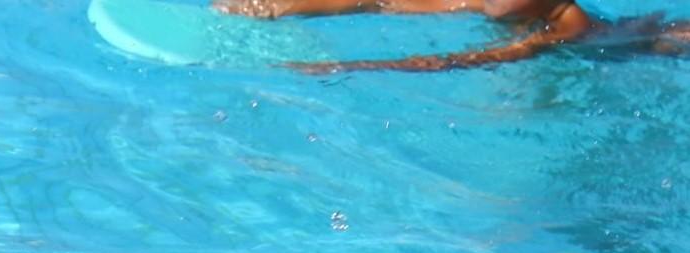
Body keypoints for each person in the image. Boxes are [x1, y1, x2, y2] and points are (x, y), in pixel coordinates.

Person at [215, 0, 690, 72]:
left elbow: (455, 60)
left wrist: (350, 67)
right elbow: (378, 1)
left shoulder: (561, 29)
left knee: (662, 40)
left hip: (611, 49)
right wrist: (276, 6)